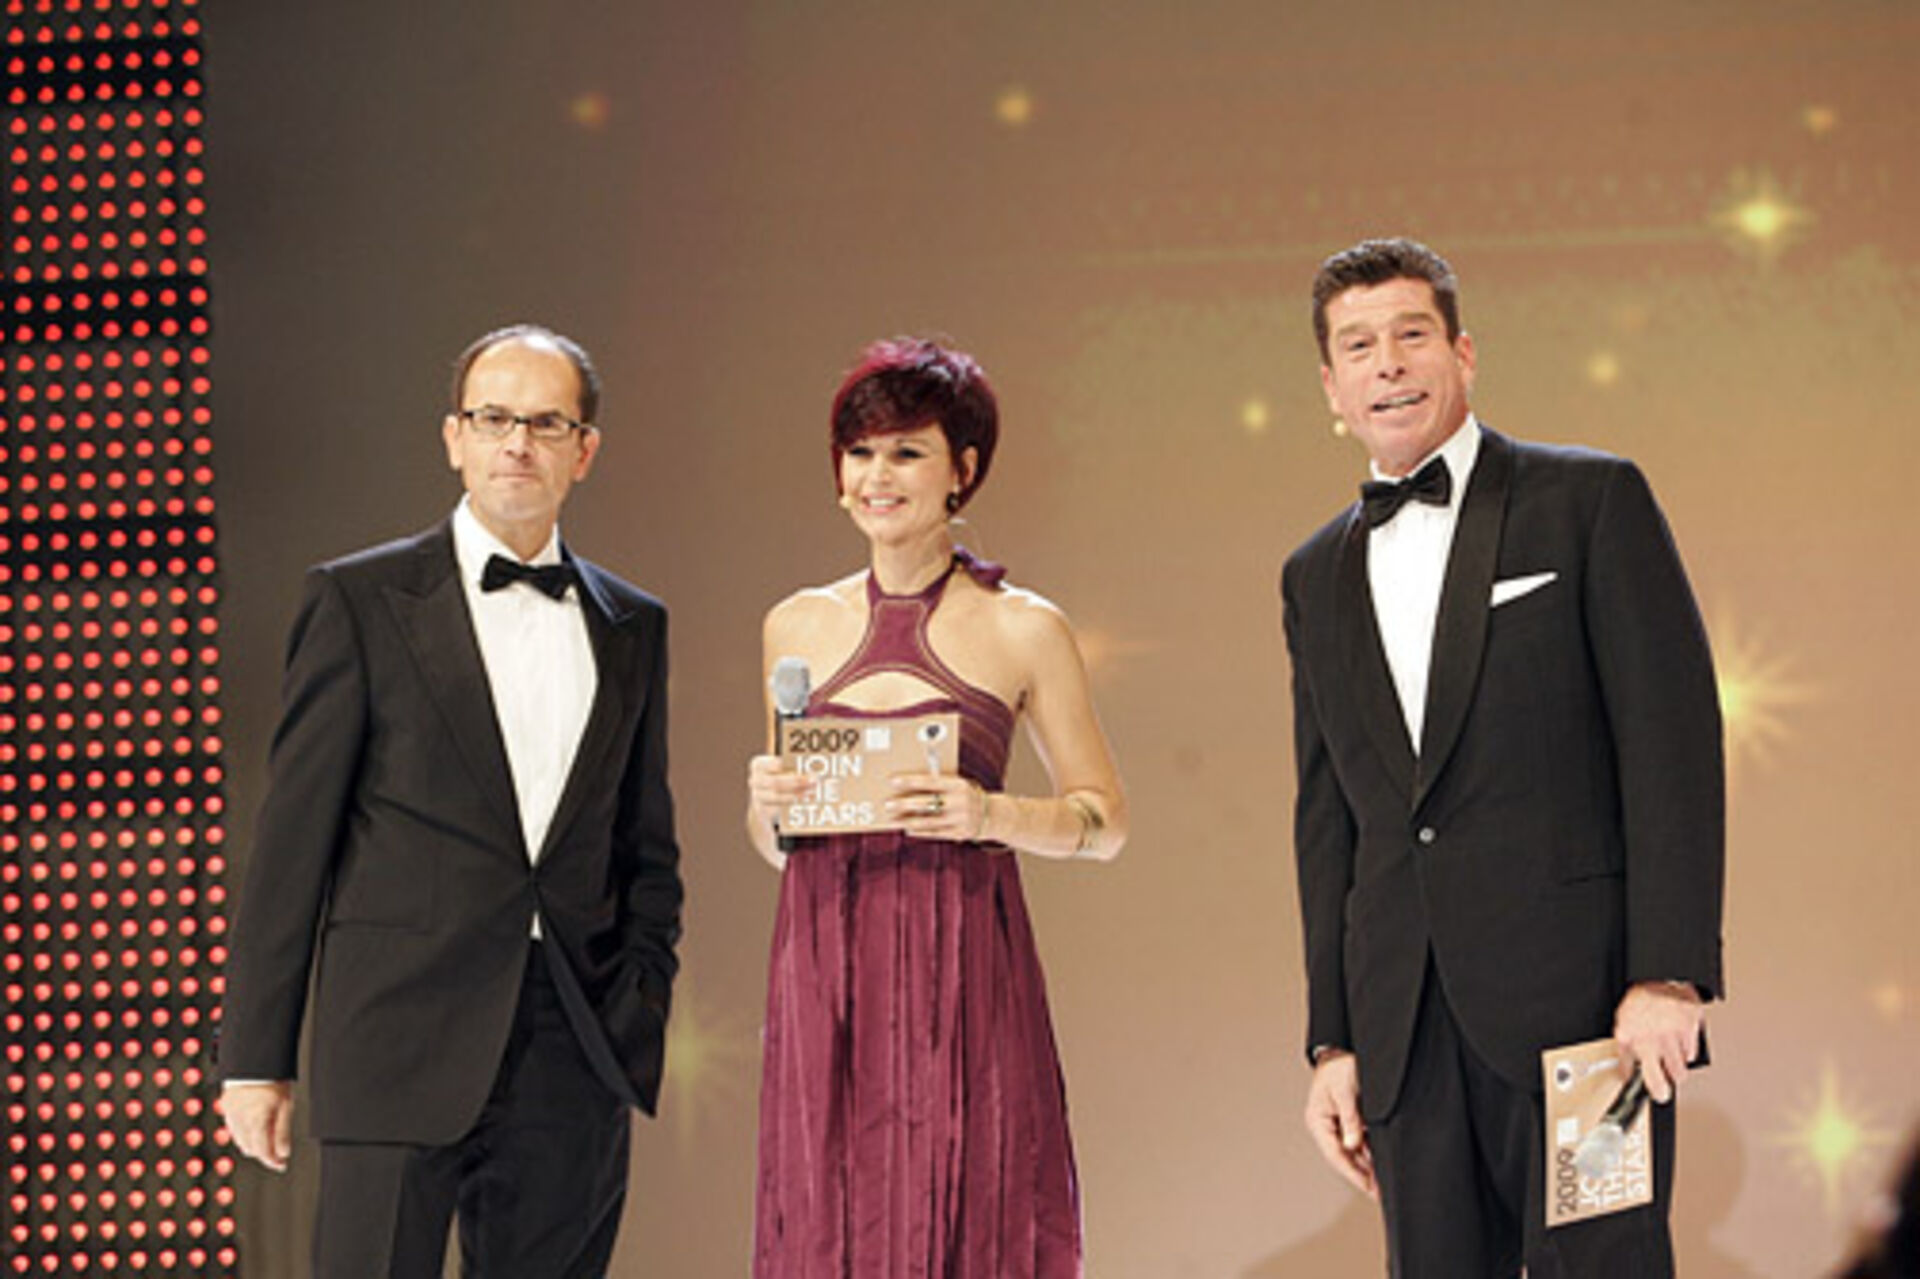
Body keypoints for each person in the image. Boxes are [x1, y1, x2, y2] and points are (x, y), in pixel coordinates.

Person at [1280, 239, 1725, 1277]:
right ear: (1332, 387)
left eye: (1411, 335)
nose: (1388, 364)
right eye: (1359, 346)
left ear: (1464, 353)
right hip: (1405, 1029)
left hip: (1587, 1020)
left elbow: (1672, 746)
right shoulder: (1314, 573)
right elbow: (1328, 818)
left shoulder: (1588, 500)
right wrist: (1333, 1039)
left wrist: (1668, 971)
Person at [217, 325, 683, 1277]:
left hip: (574, 1045)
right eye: (494, 418)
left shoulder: (632, 623)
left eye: (546, 423)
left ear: (584, 450)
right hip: (395, 1037)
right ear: (453, 437)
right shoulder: (359, 600)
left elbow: (646, 847)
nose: (517, 443)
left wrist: (637, 1000)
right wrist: (255, 1057)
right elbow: (291, 847)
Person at [745, 336, 1127, 1278]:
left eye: (907, 452)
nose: (878, 476)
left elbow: (1104, 821)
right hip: (824, 971)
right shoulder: (795, 623)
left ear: (962, 470)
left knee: (976, 1214)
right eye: (860, 452)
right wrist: (768, 805)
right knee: (826, 1225)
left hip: (963, 968)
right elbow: (780, 841)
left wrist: (988, 816)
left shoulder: (1023, 627)